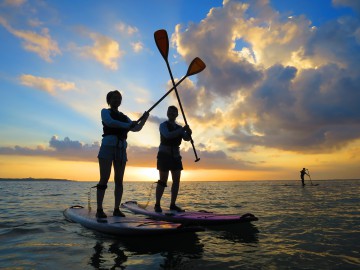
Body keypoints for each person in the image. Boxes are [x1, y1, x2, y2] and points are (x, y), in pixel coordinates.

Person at [96, 90, 149, 218]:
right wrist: (128, 124)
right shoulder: (105, 111)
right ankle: (99, 209)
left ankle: (116, 209)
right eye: (114, 98)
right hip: (107, 147)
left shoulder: (124, 116)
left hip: (121, 148)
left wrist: (144, 119)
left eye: (119, 98)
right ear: (109, 100)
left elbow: (136, 128)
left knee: (119, 180)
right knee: (104, 178)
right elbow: (110, 122)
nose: (117, 100)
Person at [154, 105, 192, 213]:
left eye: (173, 112)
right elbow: (168, 135)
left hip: (175, 156)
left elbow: (187, 138)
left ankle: (173, 204)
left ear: (176, 115)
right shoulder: (163, 125)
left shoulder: (180, 128)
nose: (171, 114)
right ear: (167, 113)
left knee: (176, 181)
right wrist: (182, 130)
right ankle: (157, 204)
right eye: (169, 112)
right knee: (162, 181)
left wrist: (189, 131)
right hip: (164, 155)